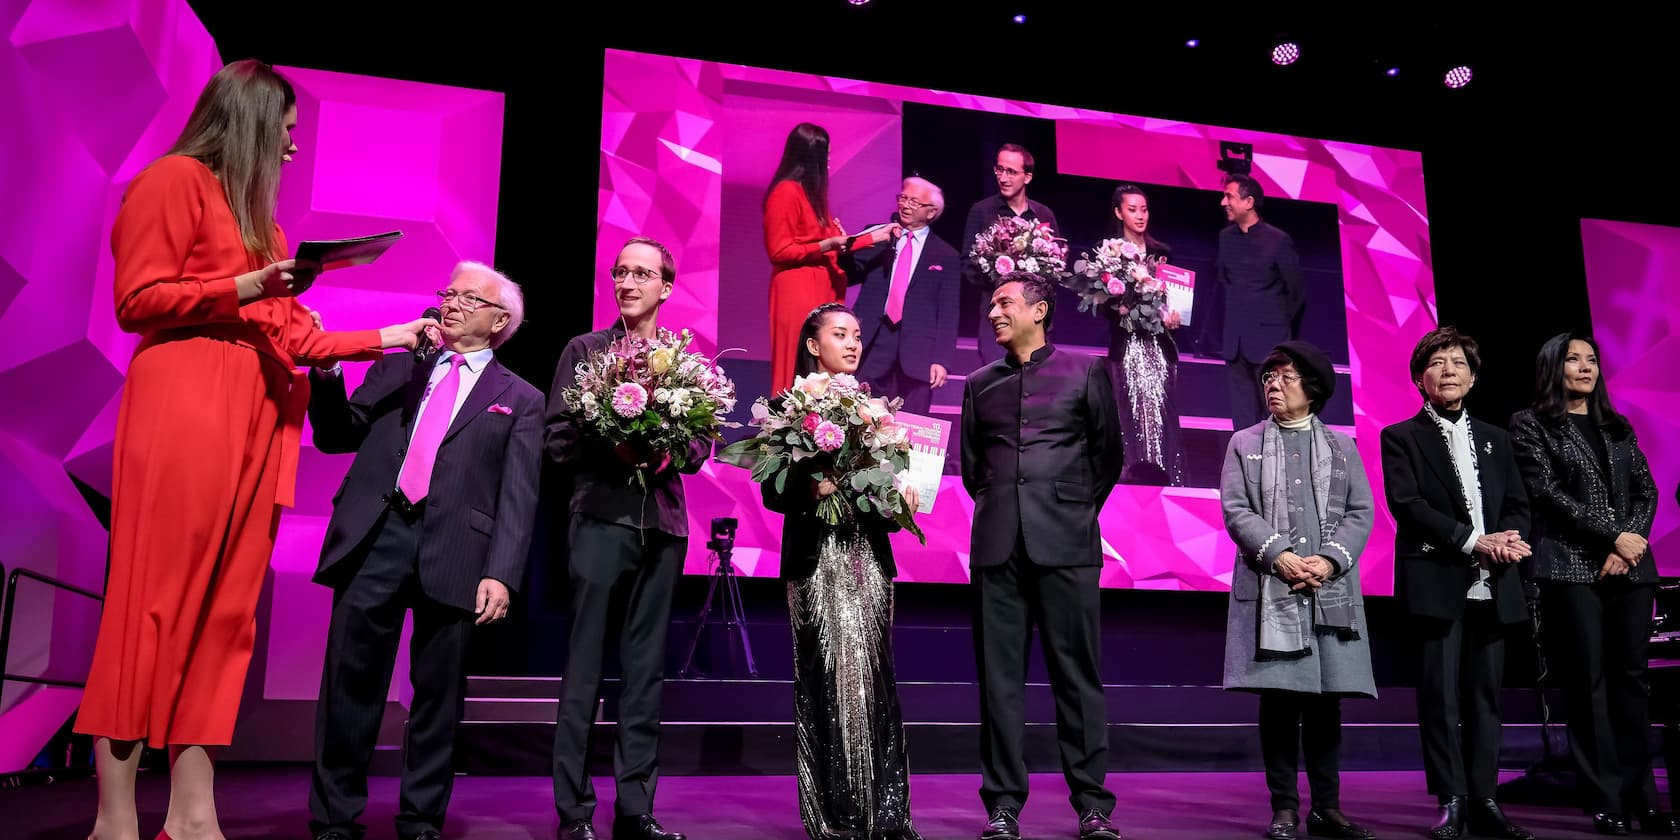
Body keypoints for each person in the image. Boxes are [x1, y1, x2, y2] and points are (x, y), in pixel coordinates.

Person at [74, 59, 432, 840]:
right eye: (289, 134)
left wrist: (390, 336)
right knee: (154, 607)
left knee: (224, 618)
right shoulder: (172, 181)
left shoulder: (258, 224)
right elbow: (139, 300)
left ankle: (193, 815)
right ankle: (114, 818)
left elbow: (294, 337)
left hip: (258, 423)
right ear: (253, 124)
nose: (294, 151)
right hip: (186, 409)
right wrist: (248, 286)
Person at [304, 262, 543, 840]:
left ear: (498, 320)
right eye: (448, 293)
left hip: (459, 550)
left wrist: (503, 575)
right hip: (377, 536)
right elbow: (340, 434)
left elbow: (519, 494)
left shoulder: (522, 397)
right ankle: (335, 816)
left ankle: (420, 818)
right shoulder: (399, 367)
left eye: (469, 298)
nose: (452, 303)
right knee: (350, 684)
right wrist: (329, 368)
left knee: (438, 694)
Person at [548, 238, 708, 840]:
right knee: (584, 669)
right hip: (598, 519)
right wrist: (609, 440)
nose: (629, 281)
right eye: (621, 272)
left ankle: (636, 809)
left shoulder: (683, 356)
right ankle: (573, 813)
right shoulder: (585, 351)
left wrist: (669, 453)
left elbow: (702, 441)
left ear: (666, 287)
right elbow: (557, 439)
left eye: (643, 273)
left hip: (663, 527)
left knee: (644, 673)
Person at [960, 272, 1124, 840]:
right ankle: (1002, 804)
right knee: (999, 679)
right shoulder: (979, 382)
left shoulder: (1086, 370)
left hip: (1067, 542)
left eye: (1005, 303)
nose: (994, 313)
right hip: (997, 545)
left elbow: (1108, 455)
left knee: (1077, 677)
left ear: (1040, 309)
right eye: (992, 305)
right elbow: (972, 466)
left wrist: (1072, 509)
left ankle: (1093, 806)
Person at [763, 302, 923, 840]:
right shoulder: (789, 407)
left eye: (856, 335)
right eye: (839, 334)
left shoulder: (878, 411)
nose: (853, 343)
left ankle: (887, 815)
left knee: (875, 679)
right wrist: (814, 488)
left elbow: (888, 498)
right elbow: (771, 491)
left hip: (868, 560)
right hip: (813, 562)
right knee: (824, 676)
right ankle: (835, 817)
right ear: (813, 345)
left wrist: (900, 498)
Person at [1510, 333, 1675, 836]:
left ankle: (1642, 796)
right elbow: (1547, 494)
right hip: (1569, 568)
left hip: (1631, 569)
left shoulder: (1617, 426)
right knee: (1589, 684)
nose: (1585, 367)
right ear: (1553, 367)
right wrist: (1614, 537)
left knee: (1632, 684)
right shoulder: (1531, 424)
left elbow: (1647, 490)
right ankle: (1604, 796)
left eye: (1592, 360)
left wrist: (1631, 544)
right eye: (1574, 359)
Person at [1380, 328, 1535, 840]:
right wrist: (1474, 541)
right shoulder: (1400, 436)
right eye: (1437, 363)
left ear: (1472, 376)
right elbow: (1408, 506)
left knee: (1486, 694)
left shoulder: (1497, 437)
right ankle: (1452, 799)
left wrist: (1510, 540)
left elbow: (1517, 502)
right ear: (1420, 379)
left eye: (1458, 363)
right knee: (1440, 695)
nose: (1448, 370)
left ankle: (1486, 797)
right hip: (1437, 578)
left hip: (1496, 581)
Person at [1220, 340, 1377, 840]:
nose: (1273, 384)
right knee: (1281, 703)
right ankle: (1284, 806)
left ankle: (1326, 807)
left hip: (1328, 589)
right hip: (1273, 588)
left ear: (1311, 388)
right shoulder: (1244, 442)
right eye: (1268, 377)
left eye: (1286, 377)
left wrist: (1328, 561)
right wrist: (1279, 555)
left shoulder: (1341, 446)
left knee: (1327, 702)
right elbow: (1236, 510)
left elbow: (1360, 513)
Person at [764, 122, 892, 393]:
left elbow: (838, 242)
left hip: (821, 286)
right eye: (827, 156)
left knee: (822, 365)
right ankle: (787, 423)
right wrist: (825, 244)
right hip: (797, 288)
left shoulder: (813, 196)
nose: (830, 161)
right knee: (798, 361)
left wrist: (876, 236)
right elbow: (779, 251)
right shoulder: (786, 192)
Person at [843, 176, 961, 416]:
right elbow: (848, 273)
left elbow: (949, 311)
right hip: (874, 341)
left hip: (918, 350)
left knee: (911, 426)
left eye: (914, 202)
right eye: (903, 198)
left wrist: (942, 360)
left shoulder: (946, 254)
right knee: (861, 417)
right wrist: (849, 244)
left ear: (931, 212)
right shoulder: (878, 236)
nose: (905, 205)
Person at [1102, 184, 1186, 486]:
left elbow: (1175, 300)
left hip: (1159, 345)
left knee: (1161, 411)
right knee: (1130, 412)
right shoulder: (1109, 255)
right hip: (1126, 345)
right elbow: (1102, 305)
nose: (1140, 216)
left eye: (1144, 209)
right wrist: (1119, 308)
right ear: (1118, 212)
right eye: (1132, 209)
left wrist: (1174, 315)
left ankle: (1165, 478)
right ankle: (1131, 477)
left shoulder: (1162, 253)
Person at [1210, 174, 1304, 431]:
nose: (1223, 202)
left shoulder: (1278, 240)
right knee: (1242, 423)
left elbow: (1296, 293)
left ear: (1248, 201)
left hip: (1269, 345)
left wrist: (1279, 334)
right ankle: (1247, 468)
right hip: (1235, 345)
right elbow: (1224, 284)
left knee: (1276, 416)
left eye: (1229, 196)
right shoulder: (1225, 238)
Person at [961, 144, 1061, 366]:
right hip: (997, 319)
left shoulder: (1043, 214)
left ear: (1027, 177)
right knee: (998, 386)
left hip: (1035, 321)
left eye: (1011, 172)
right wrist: (998, 276)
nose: (1003, 178)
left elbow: (1057, 266)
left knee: (1036, 387)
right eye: (999, 169)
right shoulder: (982, 211)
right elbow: (967, 264)